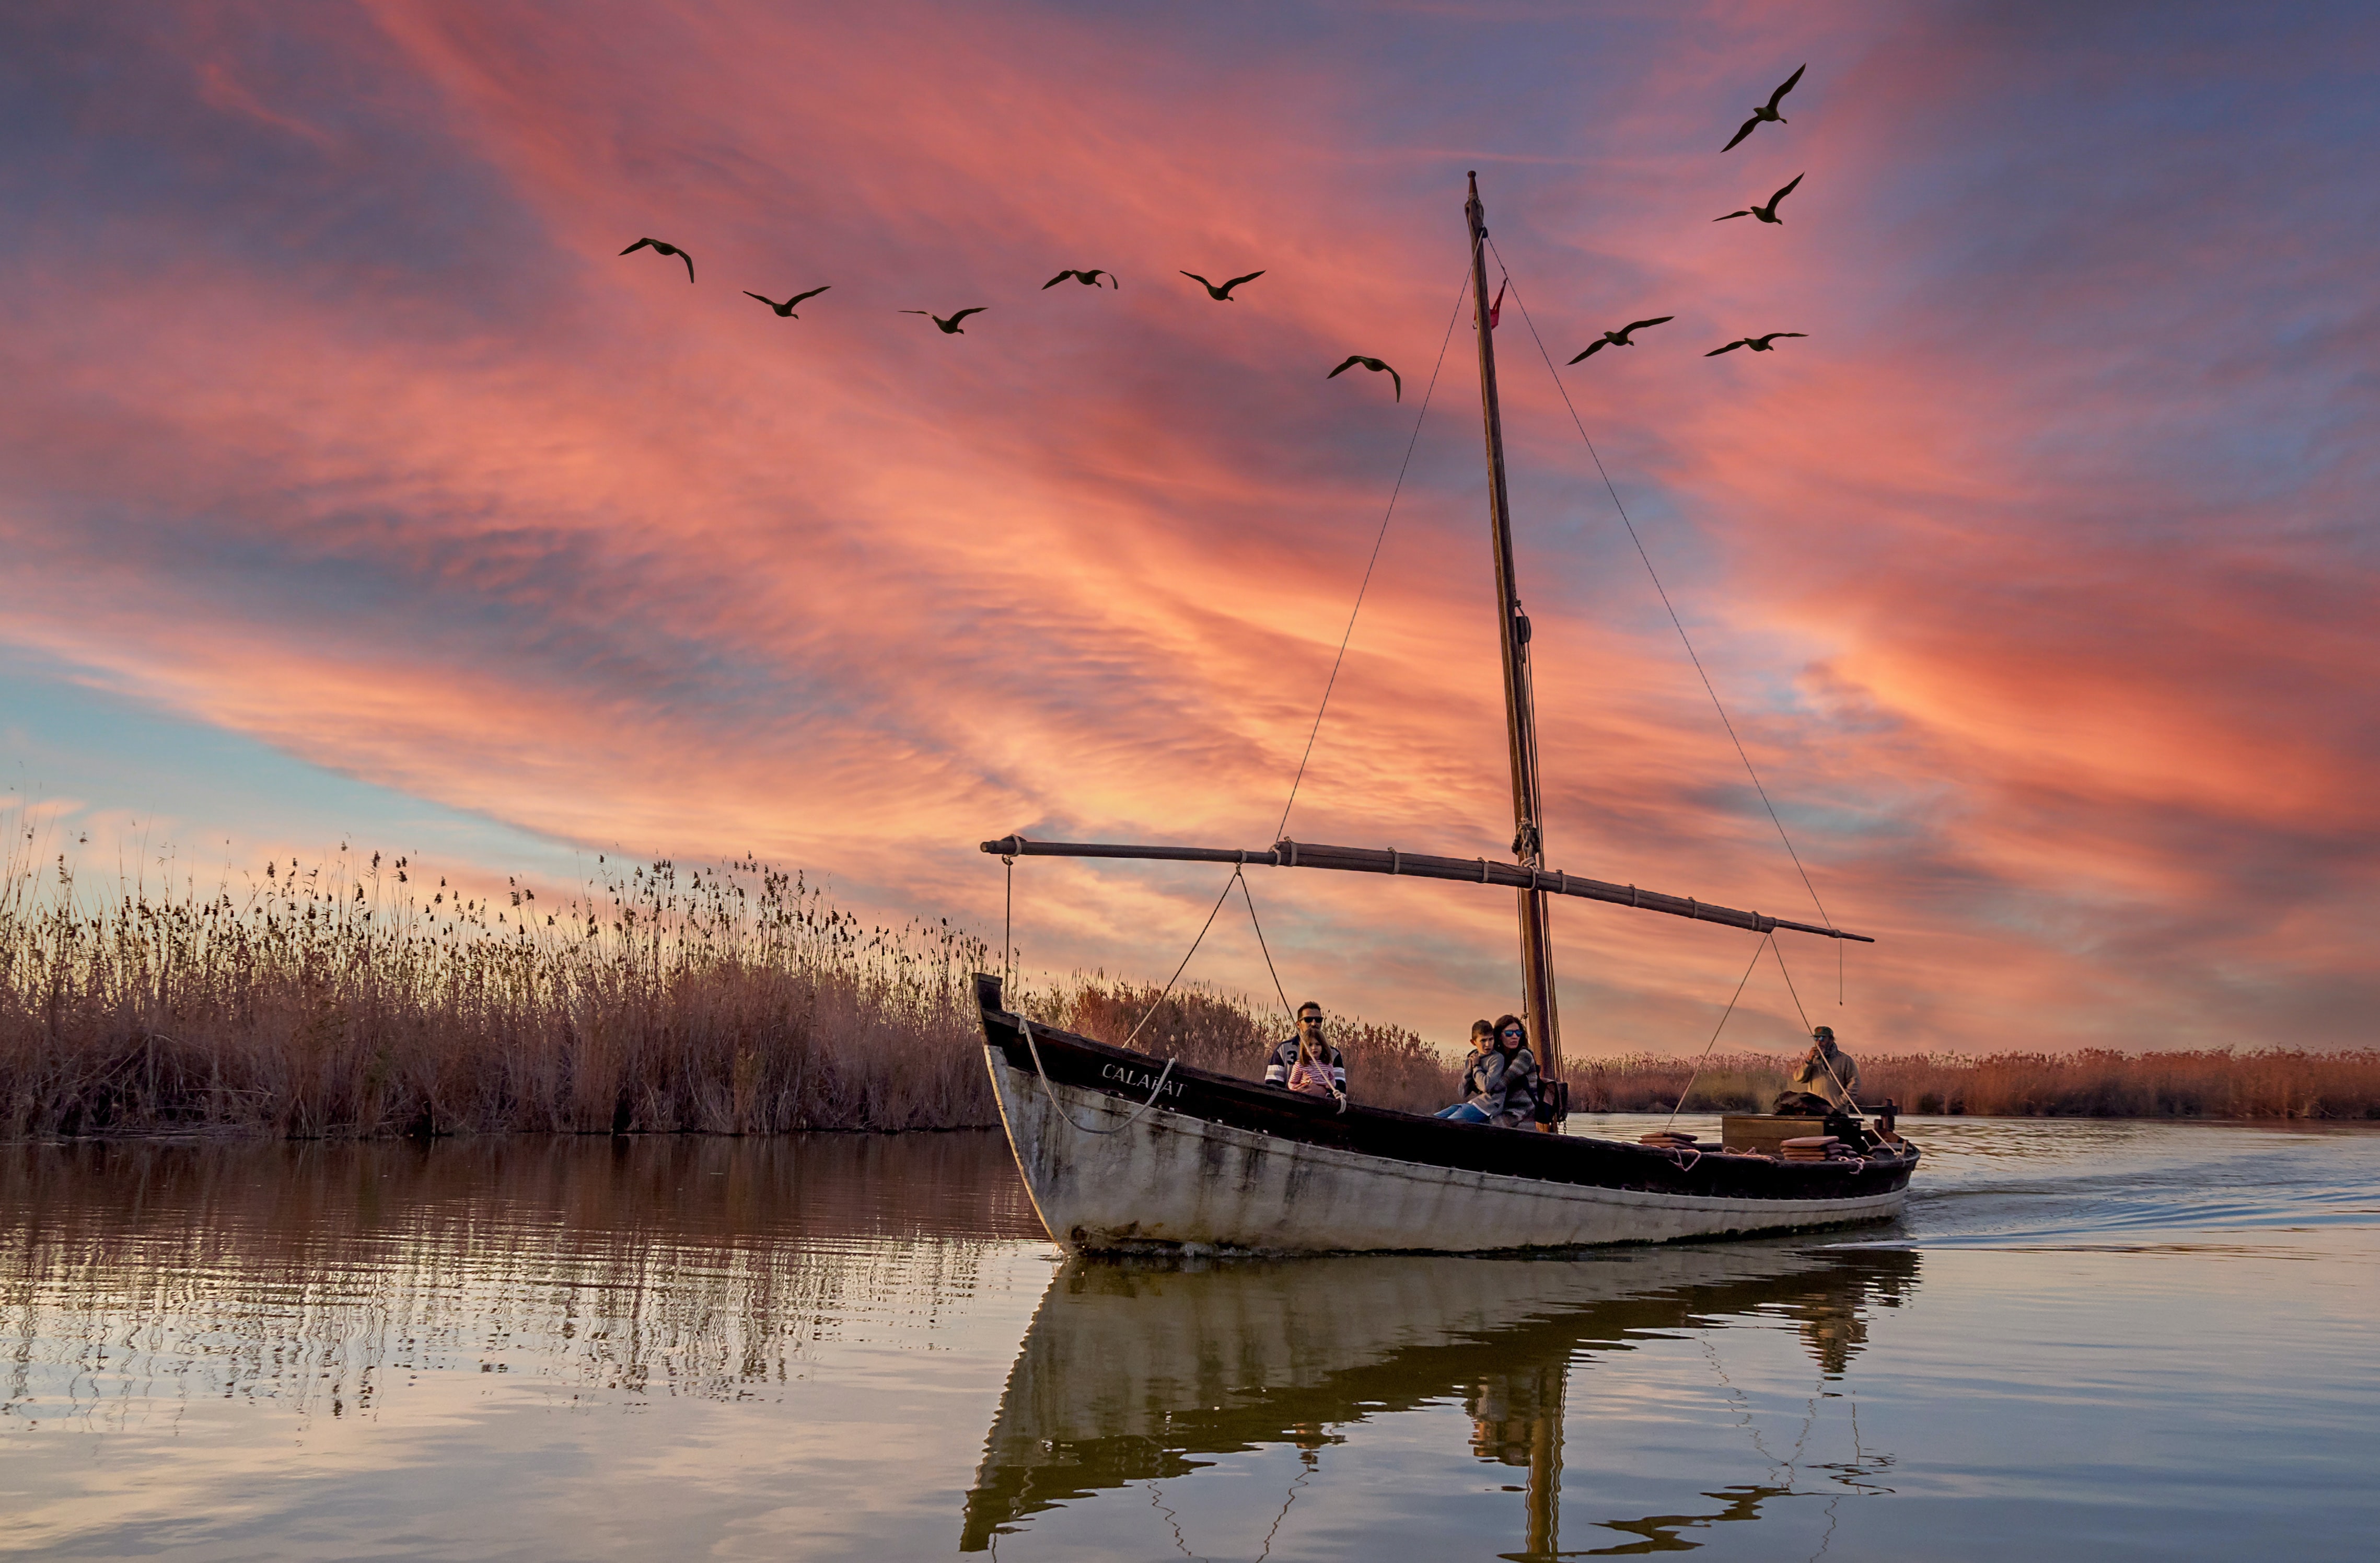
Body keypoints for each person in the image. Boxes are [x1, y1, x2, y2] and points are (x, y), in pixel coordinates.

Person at [1437, 1014, 1539, 1128]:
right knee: (1437, 1119)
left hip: (1519, 1111)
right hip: (1501, 1107)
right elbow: (1468, 1091)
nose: (1515, 1037)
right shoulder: (1500, 1056)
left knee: (1482, 1128)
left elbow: (1498, 1085)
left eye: (1518, 1033)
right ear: (1499, 1036)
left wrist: (1477, 1068)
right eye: (1509, 1033)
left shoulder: (1524, 1056)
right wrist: (1472, 1067)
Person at [1263, 1002, 1346, 1097]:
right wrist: (1294, 1093)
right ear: (1298, 1024)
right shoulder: (1283, 1050)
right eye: (1308, 1020)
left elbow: (1341, 1088)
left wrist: (1325, 1093)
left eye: (1319, 1020)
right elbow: (1272, 1084)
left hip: (1323, 1108)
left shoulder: (1333, 1054)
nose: (1314, 1023)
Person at [1775, 1025, 1860, 1115]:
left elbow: (1855, 1082)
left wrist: (1842, 1102)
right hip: (1815, 1111)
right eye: (1816, 1038)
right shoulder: (1811, 1059)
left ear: (1831, 1040)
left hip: (1837, 1112)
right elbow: (1799, 1078)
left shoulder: (1844, 1060)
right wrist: (1809, 1061)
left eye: (1822, 1038)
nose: (1819, 1042)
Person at [1432, 1021, 1498, 1123]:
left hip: (1488, 1107)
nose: (1488, 1044)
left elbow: (1486, 1086)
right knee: (1431, 1119)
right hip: (1473, 1104)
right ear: (1473, 1042)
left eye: (1491, 1039)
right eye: (1483, 1041)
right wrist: (1469, 1069)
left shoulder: (1496, 1059)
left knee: (1448, 1124)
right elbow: (1463, 1093)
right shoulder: (1473, 1058)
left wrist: (1476, 1067)